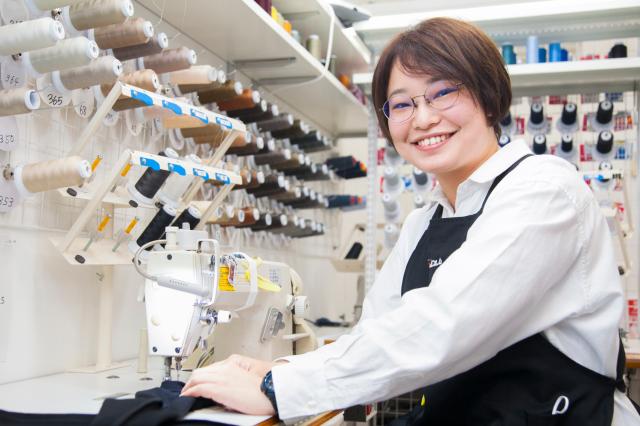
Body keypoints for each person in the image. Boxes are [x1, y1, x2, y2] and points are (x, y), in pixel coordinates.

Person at [181, 17, 640, 425]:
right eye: (400, 105)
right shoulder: (425, 221)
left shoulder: (544, 191)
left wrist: (279, 392)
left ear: (487, 94)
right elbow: (380, 330)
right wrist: (281, 372)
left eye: (443, 92)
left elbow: (447, 324)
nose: (423, 118)